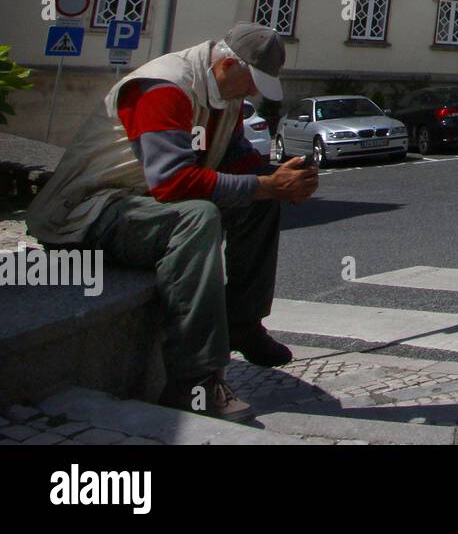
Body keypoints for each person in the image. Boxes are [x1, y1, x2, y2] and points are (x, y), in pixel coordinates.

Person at [26, 22, 318, 421]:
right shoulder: (164, 87)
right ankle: (195, 379)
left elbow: (234, 158)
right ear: (227, 64)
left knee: (260, 203)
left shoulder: (223, 91)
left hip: (141, 206)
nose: (252, 92)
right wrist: (269, 184)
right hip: (87, 213)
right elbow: (173, 183)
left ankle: (243, 323)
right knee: (197, 217)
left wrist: (286, 175)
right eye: (251, 81)